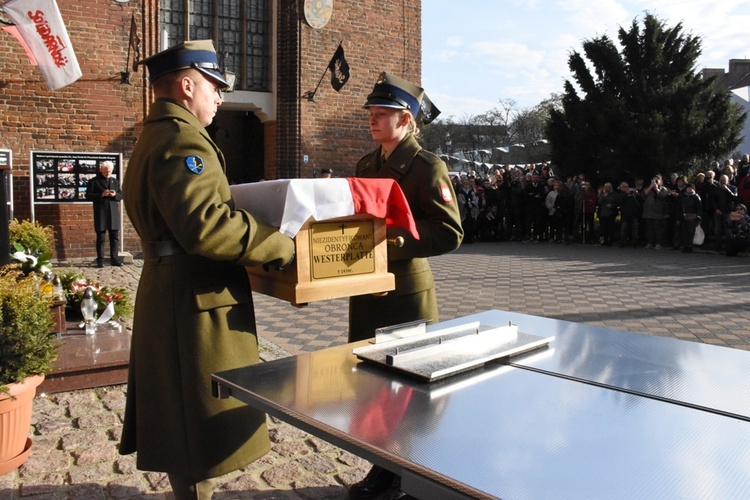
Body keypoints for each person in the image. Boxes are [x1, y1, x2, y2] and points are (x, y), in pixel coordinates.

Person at [118, 40, 295, 500]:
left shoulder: (154, 133)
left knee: (182, 415)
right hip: (193, 297)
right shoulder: (181, 138)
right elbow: (204, 224)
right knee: (197, 418)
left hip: (171, 288)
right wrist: (278, 244)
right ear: (186, 84)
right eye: (214, 86)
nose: (219, 97)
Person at [347, 72, 463, 500]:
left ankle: (409, 475)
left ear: (408, 119)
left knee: (408, 390)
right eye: (372, 115)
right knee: (374, 386)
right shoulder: (366, 165)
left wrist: (393, 241)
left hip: (406, 293)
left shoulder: (427, 166)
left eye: (383, 114)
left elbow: (450, 232)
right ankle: (382, 466)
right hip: (369, 289)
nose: (373, 121)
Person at [85, 160, 123, 267]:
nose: (108, 174)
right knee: (101, 238)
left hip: (113, 213)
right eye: (106, 171)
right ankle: (100, 260)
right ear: (101, 170)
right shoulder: (94, 181)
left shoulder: (115, 182)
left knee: (114, 237)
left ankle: (114, 259)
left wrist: (115, 195)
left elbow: (121, 195)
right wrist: (100, 195)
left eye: (110, 172)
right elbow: (88, 195)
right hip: (101, 212)